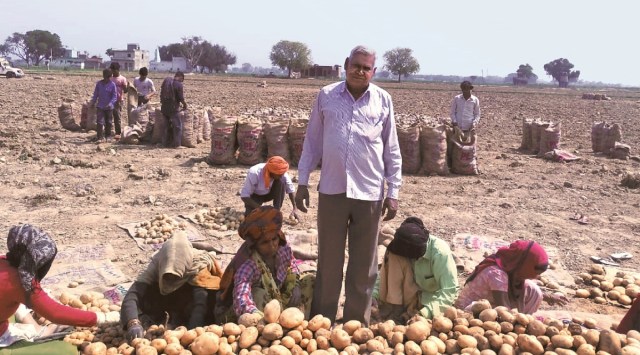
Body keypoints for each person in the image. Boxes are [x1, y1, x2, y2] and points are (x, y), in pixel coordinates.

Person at [295, 45, 402, 325]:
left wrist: (394, 192)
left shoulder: (383, 100)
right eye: (356, 65)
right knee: (329, 260)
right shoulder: (327, 96)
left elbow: (391, 149)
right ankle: (323, 319)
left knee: (364, 266)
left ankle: (356, 322)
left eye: (366, 68)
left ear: (373, 71)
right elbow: (312, 142)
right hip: (332, 189)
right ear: (346, 64)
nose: (360, 71)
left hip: (369, 192)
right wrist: (303, 182)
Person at [0, 224, 116, 354]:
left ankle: (37, 329)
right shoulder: (19, 281)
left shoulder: (3, 260)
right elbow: (55, 313)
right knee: (64, 351)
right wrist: (103, 318)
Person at [216, 206, 314, 323]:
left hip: (278, 300)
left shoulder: (283, 249)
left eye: (274, 239)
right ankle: (266, 331)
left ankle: (297, 322)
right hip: (249, 311)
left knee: (310, 281)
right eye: (265, 242)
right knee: (258, 293)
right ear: (255, 244)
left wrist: (296, 285)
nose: (272, 245)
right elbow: (241, 295)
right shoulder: (249, 264)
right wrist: (253, 314)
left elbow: (292, 264)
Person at [119, 231, 222, 341]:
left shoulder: (198, 264)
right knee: (146, 297)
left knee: (210, 304)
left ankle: (180, 316)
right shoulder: (158, 263)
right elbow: (133, 294)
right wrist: (132, 322)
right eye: (168, 276)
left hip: (189, 296)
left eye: (175, 276)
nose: (172, 280)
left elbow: (200, 304)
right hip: (166, 297)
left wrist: (191, 335)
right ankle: (171, 314)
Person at [375, 217, 459, 322]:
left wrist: (425, 314)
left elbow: (450, 290)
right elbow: (383, 275)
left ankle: (408, 313)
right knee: (392, 255)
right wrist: (373, 295)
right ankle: (395, 309)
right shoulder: (401, 249)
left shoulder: (440, 253)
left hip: (429, 301)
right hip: (405, 297)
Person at [455, 240, 569, 314]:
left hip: (493, 301)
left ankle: (522, 321)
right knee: (504, 316)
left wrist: (548, 296)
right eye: (535, 272)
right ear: (525, 265)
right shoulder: (497, 274)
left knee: (534, 291)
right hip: (468, 310)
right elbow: (504, 311)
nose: (537, 276)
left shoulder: (513, 267)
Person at [448, 80, 480, 167]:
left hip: (469, 128)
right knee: (455, 148)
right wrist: (454, 123)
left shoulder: (475, 100)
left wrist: (474, 123)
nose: (466, 92)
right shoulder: (457, 99)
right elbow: (452, 112)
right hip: (457, 128)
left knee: (469, 148)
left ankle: (467, 166)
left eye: (467, 90)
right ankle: (453, 165)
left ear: (471, 89)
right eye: (464, 90)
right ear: (462, 90)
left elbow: (477, 114)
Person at [160, 71, 187, 148]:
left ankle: (164, 143)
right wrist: (185, 105)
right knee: (177, 126)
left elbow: (161, 92)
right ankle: (177, 144)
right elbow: (181, 98)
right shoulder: (178, 84)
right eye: (182, 80)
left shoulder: (166, 81)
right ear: (181, 77)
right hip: (173, 108)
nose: (182, 81)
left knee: (165, 126)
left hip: (164, 107)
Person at [89, 68, 118, 142]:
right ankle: (100, 137)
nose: (107, 79)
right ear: (104, 76)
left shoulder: (112, 85)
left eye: (109, 77)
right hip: (100, 106)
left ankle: (108, 136)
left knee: (108, 122)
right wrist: (93, 102)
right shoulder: (99, 84)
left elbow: (114, 96)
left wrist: (111, 103)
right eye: (106, 77)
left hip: (109, 107)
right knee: (100, 122)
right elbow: (96, 94)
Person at [109, 63, 128, 140]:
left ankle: (118, 133)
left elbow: (125, 90)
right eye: (112, 70)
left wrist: (127, 86)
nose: (113, 72)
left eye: (114, 70)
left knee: (117, 117)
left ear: (117, 70)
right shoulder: (110, 78)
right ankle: (108, 132)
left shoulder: (122, 79)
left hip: (118, 100)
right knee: (108, 117)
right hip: (109, 100)